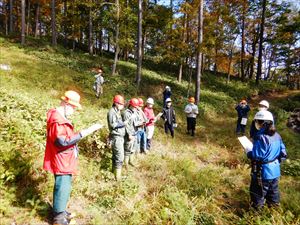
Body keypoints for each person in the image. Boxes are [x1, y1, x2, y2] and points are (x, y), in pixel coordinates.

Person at [43, 90, 102, 225]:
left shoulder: (60, 117)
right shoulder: (57, 120)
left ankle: (61, 211)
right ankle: (58, 218)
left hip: (65, 158)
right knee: (62, 186)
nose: (74, 110)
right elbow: (62, 141)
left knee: (65, 185)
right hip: (61, 159)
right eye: (73, 107)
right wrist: (84, 132)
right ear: (64, 103)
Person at [245, 110, 287, 209]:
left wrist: (248, 152)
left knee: (257, 195)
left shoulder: (261, 137)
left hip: (262, 172)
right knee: (273, 193)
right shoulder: (277, 135)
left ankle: (255, 216)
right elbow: (283, 153)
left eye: (258, 122)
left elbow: (257, 156)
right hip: (275, 171)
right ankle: (274, 212)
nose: (257, 124)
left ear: (263, 123)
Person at [107, 95, 126, 181]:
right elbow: (113, 125)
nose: (122, 105)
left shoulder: (117, 111)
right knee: (120, 156)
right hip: (116, 137)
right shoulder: (112, 112)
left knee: (116, 156)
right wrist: (123, 123)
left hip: (119, 137)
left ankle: (114, 173)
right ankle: (118, 177)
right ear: (115, 103)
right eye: (120, 104)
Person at [123, 98, 139, 167]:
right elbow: (126, 125)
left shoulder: (134, 112)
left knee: (133, 148)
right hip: (129, 134)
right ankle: (125, 163)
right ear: (131, 105)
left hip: (135, 132)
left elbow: (136, 121)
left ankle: (131, 161)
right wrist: (129, 134)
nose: (136, 108)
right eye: (135, 107)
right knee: (127, 149)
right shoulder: (126, 113)